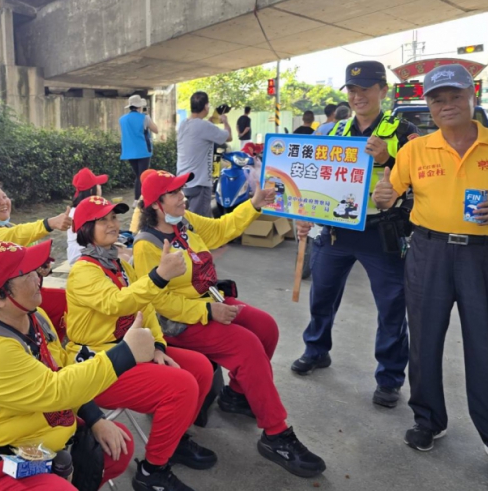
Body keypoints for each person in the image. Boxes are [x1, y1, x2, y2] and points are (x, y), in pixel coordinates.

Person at [133, 171, 326, 478]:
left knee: (265, 327)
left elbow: (222, 229)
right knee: (245, 346)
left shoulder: (186, 221)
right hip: (178, 323)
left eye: (181, 190)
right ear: (156, 204)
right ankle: (276, 435)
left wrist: (254, 203)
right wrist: (208, 312)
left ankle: (236, 396)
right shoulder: (147, 245)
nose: (183, 196)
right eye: (174, 193)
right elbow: (156, 302)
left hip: (208, 301)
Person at [373, 64, 488, 481]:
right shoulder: (416, 149)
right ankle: (427, 420)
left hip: (482, 256)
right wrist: (383, 193)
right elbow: (389, 191)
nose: (446, 105)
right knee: (425, 339)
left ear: (473, 96)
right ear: (429, 106)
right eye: (437, 99)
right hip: (427, 252)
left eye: (454, 96)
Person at [0, 239, 152, 491]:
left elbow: (62, 369)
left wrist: (96, 419)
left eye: (37, 269)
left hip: (44, 444)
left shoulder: (35, 317)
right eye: (27, 273)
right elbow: (56, 389)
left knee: (119, 444)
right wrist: (126, 353)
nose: (39, 276)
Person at [67, 195, 217, 491]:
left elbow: (144, 307)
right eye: (103, 220)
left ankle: (174, 439)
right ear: (85, 229)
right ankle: (153, 472)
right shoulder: (83, 271)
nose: (112, 224)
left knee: (200, 368)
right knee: (182, 386)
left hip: (134, 350)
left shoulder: (119, 263)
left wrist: (159, 346)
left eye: (114, 217)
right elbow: (118, 303)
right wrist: (160, 276)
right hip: (99, 363)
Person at [292, 61, 419, 410]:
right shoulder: (335, 132)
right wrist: (304, 216)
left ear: (383, 90)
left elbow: (422, 177)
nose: (357, 95)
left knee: (392, 308)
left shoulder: (404, 129)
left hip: (382, 233)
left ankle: (390, 378)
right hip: (336, 232)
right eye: (352, 89)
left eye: (365, 88)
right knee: (322, 296)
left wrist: (389, 158)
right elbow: (316, 179)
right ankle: (316, 350)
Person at [0, 179, 72, 256]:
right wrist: (50, 223)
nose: (3, 202)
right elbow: (14, 235)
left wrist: (42, 267)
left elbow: (26, 242)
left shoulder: (9, 226)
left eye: (5, 197)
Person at [177, 91, 232, 218]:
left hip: (183, 182)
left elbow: (199, 133)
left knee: (186, 220)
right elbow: (228, 137)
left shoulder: (183, 124)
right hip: (199, 184)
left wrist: (210, 122)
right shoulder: (204, 126)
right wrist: (225, 122)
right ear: (206, 106)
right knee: (201, 224)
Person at [120, 94, 159, 205]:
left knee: (138, 176)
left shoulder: (122, 120)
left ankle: (138, 199)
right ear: (139, 107)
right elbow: (156, 130)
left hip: (128, 152)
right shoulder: (144, 118)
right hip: (143, 151)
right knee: (143, 176)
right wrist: (147, 117)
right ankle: (139, 200)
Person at [67, 167, 109, 264]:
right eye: (98, 185)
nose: (100, 187)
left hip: (78, 254)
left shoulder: (75, 209)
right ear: (91, 191)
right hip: (83, 256)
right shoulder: (85, 211)